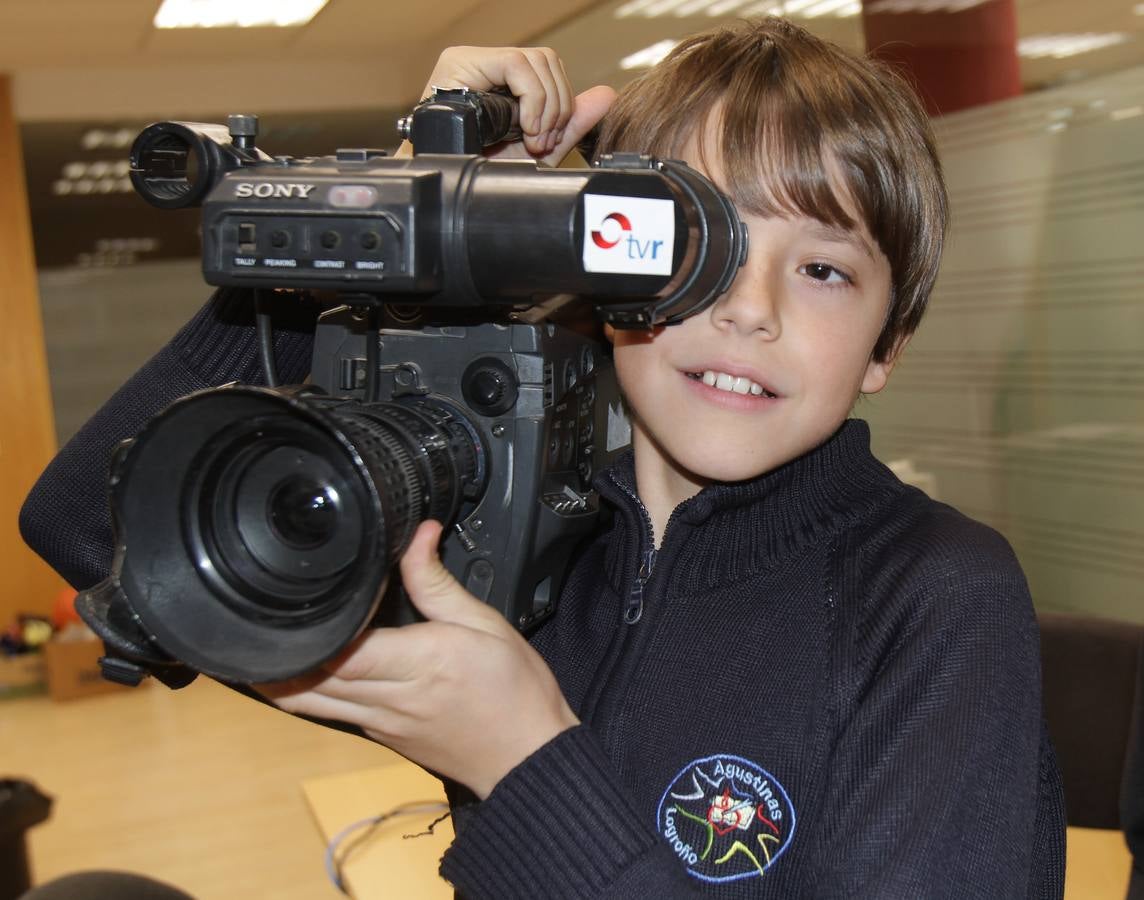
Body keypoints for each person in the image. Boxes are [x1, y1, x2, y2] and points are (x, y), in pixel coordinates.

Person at [20, 18, 1065, 898]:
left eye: (826, 270)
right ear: (598, 262)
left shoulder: (934, 598)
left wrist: (518, 765)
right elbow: (89, 529)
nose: (753, 312)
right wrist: (407, 222)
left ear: (888, 347)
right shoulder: (515, 538)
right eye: (701, 244)